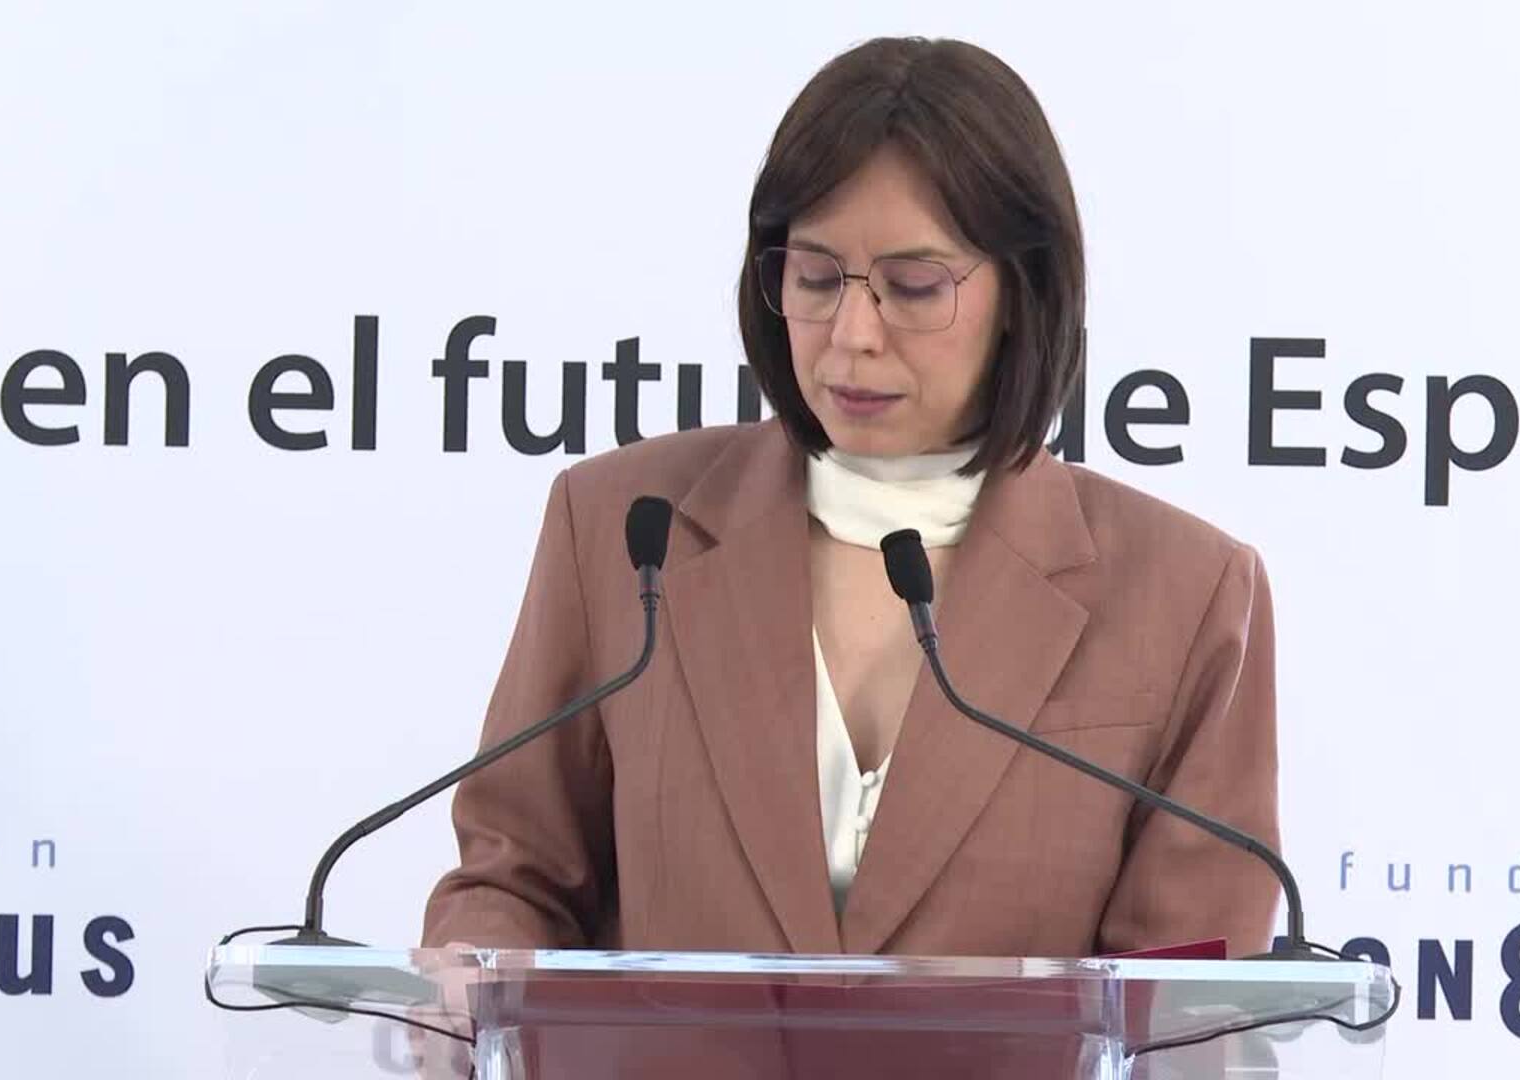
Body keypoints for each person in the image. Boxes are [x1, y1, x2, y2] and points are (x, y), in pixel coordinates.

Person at [422, 35, 1280, 963]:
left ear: (1023, 294)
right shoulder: (625, 527)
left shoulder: (1183, 592)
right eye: (817, 278)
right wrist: (473, 970)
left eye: (913, 287)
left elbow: (1187, 1006)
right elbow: (511, 882)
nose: (853, 333)